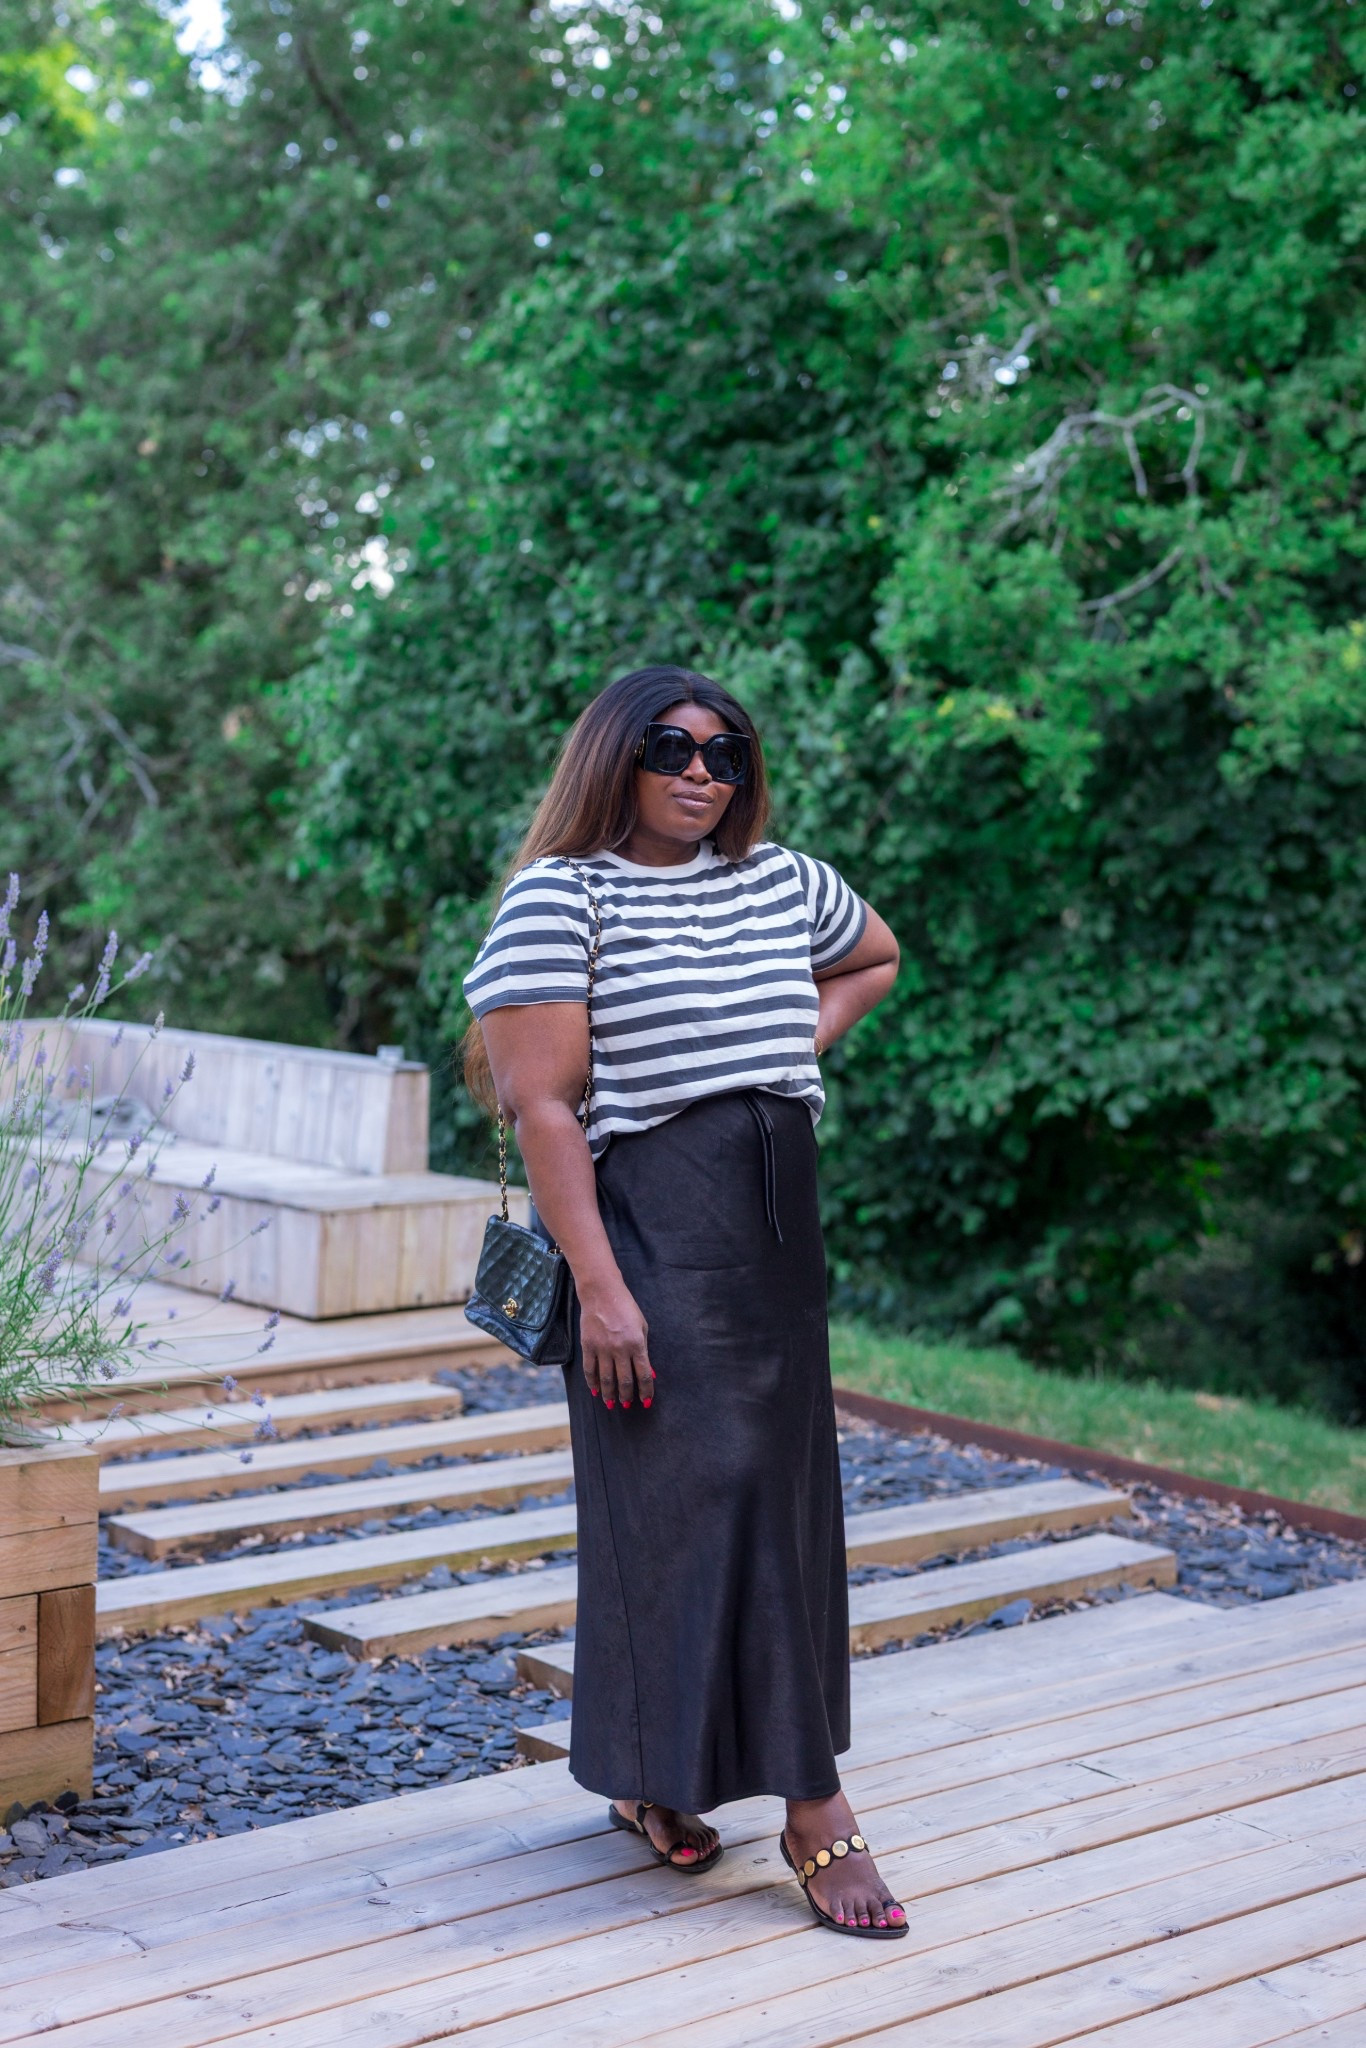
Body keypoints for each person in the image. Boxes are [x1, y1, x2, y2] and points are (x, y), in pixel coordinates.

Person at [462, 666, 905, 1937]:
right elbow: (542, 1104)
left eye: (726, 750)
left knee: (773, 1497)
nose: (701, 769)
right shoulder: (565, 893)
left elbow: (874, 956)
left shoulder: (783, 880)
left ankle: (653, 1778)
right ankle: (815, 1807)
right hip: (650, 1224)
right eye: (671, 746)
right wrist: (601, 1291)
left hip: (774, 1219)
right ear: (618, 754)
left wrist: (778, 1049)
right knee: (691, 1500)